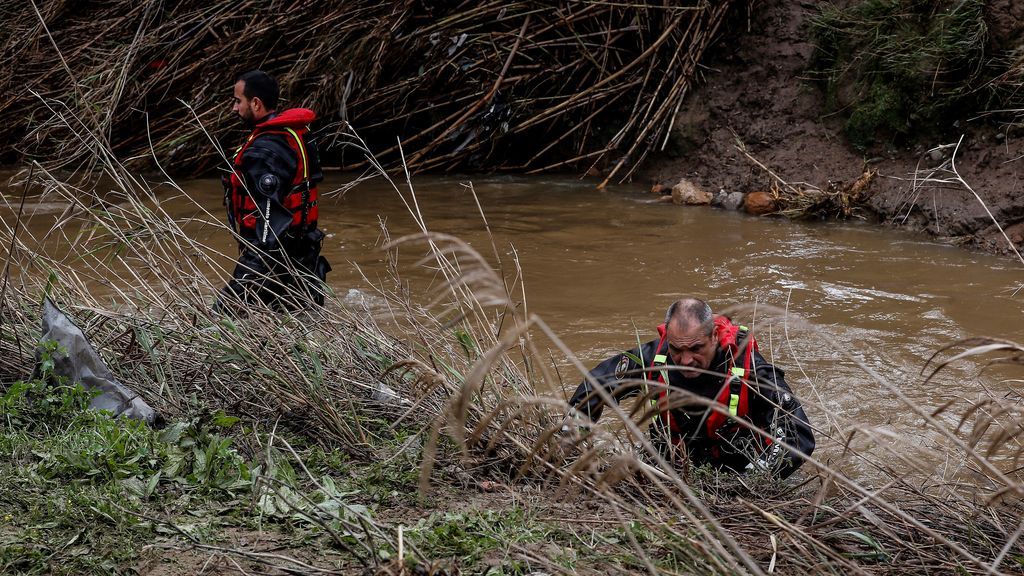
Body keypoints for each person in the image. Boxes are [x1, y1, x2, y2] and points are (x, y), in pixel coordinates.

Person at [567, 298, 814, 478]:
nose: (686, 361)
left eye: (696, 349)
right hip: (673, 463)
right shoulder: (655, 357)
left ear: (714, 337)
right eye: (677, 350)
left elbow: (797, 436)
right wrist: (570, 439)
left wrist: (751, 482)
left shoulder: (751, 369)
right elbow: (598, 384)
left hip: (738, 468)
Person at [218, 69, 330, 313]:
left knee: (220, 322)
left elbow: (269, 229)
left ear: (255, 103)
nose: (234, 109)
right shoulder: (296, 136)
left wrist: (232, 298)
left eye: (238, 101)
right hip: (305, 253)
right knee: (303, 329)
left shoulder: (263, 152)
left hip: (274, 259)